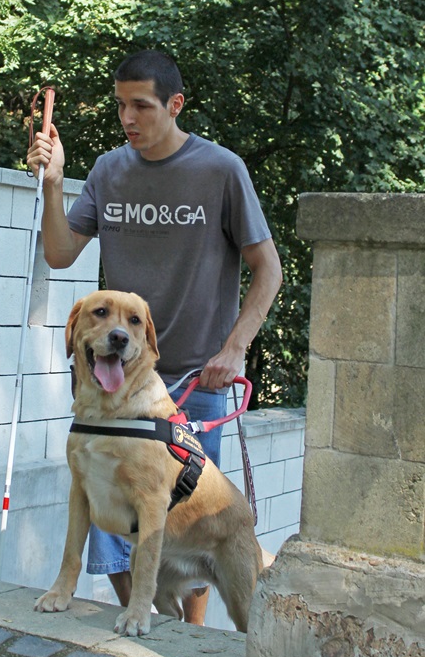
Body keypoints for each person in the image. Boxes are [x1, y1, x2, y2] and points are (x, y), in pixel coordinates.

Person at [26, 49, 282, 625]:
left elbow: (269, 268)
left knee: (192, 531)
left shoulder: (220, 170)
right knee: (115, 541)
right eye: (121, 105)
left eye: (141, 105)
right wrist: (54, 183)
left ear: (174, 104)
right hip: (116, 383)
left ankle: (189, 651)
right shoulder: (109, 171)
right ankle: (149, 643)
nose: (128, 118)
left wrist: (236, 347)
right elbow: (60, 253)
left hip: (196, 380)